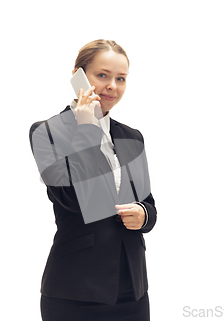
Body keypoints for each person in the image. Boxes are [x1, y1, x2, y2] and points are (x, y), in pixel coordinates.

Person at [29, 39, 157, 321]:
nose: (112, 85)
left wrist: (143, 214)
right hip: (76, 290)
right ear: (78, 76)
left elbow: (148, 204)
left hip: (132, 289)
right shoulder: (48, 132)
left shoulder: (131, 136)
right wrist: (87, 130)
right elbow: (75, 201)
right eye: (102, 75)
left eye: (120, 78)